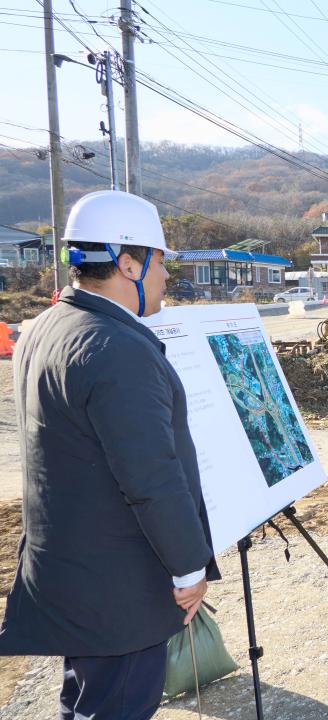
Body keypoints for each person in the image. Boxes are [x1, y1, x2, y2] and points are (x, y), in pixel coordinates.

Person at [0, 190, 217, 719]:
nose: (166, 275)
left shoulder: (47, 326)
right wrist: (190, 568)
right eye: (161, 261)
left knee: (86, 701)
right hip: (119, 584)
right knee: (116, 705)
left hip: (74, 568)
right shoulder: (116, 347)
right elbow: (151, 478)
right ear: (128, 263)